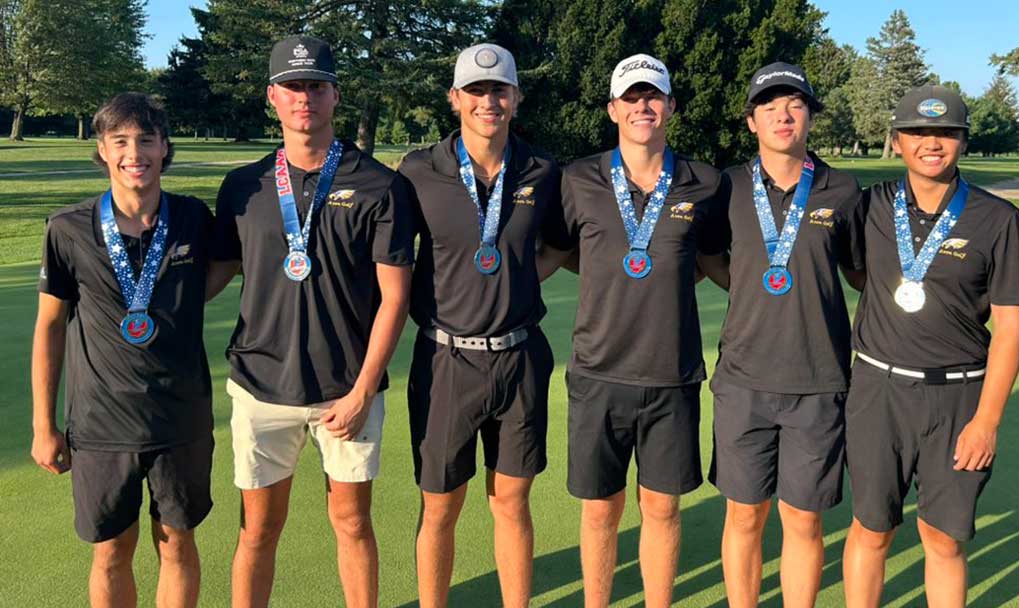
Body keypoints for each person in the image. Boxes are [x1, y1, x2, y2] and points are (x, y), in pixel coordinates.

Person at [207, 35, 413, 608]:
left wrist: (363, 390)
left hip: (346, 389)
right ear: (272, 96)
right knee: (257, 530)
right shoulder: (243, 186)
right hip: (261, 387)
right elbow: (215, 275)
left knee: (352, 524)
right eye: (293, 87)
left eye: (316, 86)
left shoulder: (379, 184)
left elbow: (394, 298)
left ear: (334, 96)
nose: (305, 98)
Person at [842, 85, 1019, 608]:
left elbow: (1012, 328)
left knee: (944, 539)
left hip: (958, 399)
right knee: (872, 529)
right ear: (898, 140)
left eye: (946, 132)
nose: (932, 142)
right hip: (877, 391)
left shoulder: (998, 219)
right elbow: (856, 271)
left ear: (963, 142)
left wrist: (987, 420)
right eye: (919, 132)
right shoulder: (870, 206)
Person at [554, 54, 729, 607]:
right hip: (597, 372)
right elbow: (563, 251)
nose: (642, 107)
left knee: (662, 507)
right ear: (612, 109)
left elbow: (715, 258)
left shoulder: (705, 182)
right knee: (601, 509)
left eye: (653, 96)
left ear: (671, 106)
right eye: (631, 98)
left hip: (671, 374)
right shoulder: (578, 178)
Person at [396, 43, 565, 608]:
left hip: (520, 357)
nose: (487, 101)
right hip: (446, 360)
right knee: (440, 505)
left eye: (499, 90)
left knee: (512, 502)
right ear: (455, 99)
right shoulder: (419, 170)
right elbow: (395, 259)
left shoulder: (542, 170)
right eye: (475, 91)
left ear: (516, 97)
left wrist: (514, 280)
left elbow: (557, 248)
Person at [31, 92, 214, 608]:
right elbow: (49, 327)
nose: (136, 153)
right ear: (104, 150)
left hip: (180, 416)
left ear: (164, 148)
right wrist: (44, 426)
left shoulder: (195, 219)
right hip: (100, 423)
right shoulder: (66, 228)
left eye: (147, 140)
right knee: (111, 550)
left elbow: (222, 271)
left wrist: (174, 302)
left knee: (177, 544)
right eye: (121, 141)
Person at [697, 62, 865, 607]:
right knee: (744, 514)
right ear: (752, 122)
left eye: (794, 105)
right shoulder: (725, 186)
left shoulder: (842, 189)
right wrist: (747, 285)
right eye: (769, 107)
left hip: (819, 381)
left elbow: (861, 271)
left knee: (803, 519)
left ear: (811, 116)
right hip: (744, 381)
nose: (783, 115)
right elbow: (708, 253)